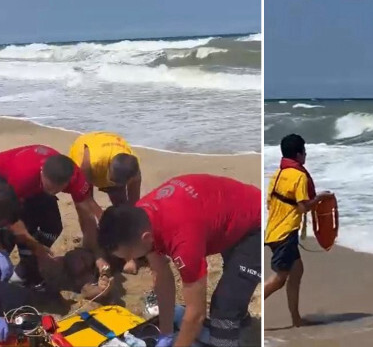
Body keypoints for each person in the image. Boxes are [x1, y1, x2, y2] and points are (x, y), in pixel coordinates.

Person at [98, 174, 261, 347]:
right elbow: (161, 275)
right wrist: (166, 332)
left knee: (224, 308)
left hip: (256, 223)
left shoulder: (183, 240)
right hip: (226, 215)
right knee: (235, 288)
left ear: (145, 238)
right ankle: (242, 324)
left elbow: (196, 313)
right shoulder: (139, 217)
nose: (130, 260)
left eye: (130, 254)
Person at [0, 145, 109, 288]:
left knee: (53, 227)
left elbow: (86, 215)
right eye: (49, 187)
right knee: (11, 231)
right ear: (41, 172)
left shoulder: (76, 178)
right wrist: (36, 247)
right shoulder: (22, 176)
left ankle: (24, 272)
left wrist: (97, 254)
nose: (53, 192)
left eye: (58, 190)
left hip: (34, 186)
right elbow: (11, 218)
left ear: (68, 181)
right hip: (6, 184)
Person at [263, 134, 333, 327]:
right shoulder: (299, 176)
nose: (306, 154)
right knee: (279, 279)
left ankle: (296, 319)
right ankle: (248, 304)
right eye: (304, 151)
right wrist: (319, 198)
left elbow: (270, 203)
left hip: (273, 231)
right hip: (285, 234)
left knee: (297, 271)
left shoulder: (277, 174)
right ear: (298, 154)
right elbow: (304, 207)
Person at [69, 132, 142, 274]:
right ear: (109, 168)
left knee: (122, 206)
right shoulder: (89, 162)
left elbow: (134, 205)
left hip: (111, 159)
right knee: (85, 211)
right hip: (87, 153)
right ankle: (97, 254)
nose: (113, 184)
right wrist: (102, 216)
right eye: (112, 180)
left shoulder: (134, 171)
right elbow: (85, 197)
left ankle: (127, 254)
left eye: (119, 183)